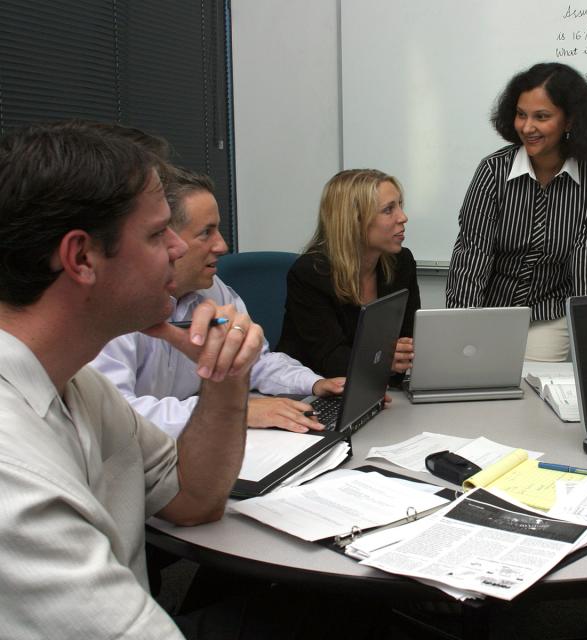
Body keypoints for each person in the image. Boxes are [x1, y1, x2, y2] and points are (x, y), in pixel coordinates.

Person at [0, 121, 261, 637]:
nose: (178, 248)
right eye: (156, 232)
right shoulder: (14, 474)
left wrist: (225, 375)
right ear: (81, 258)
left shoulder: (77, 385)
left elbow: (192, 501)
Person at [92, 167, 344, 438]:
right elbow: (115, 416)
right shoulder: (114, 310)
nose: (222, 245)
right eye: (206, 232)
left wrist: (313, 382)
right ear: (166, 239)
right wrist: (234, 411)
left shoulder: (213, 291)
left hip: (195, 444)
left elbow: (255, 362)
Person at [445, 62, 587, 362]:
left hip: (548, 315)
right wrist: (463, 328)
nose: (527, 127)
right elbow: (473, 254)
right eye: (521, 115)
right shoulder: (492, 171)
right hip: (488, 311)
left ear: (570, 120)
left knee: (533, 397)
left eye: (542, 117)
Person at [276, 168, 420, 379]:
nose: (403, 217)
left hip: (377, 389)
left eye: (400, 206)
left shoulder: (401, 263)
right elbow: (330, 359)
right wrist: (384, 360)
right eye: (389, 210)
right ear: (354, 220)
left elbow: (409, 337)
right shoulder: (310, 274)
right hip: (313, 392)